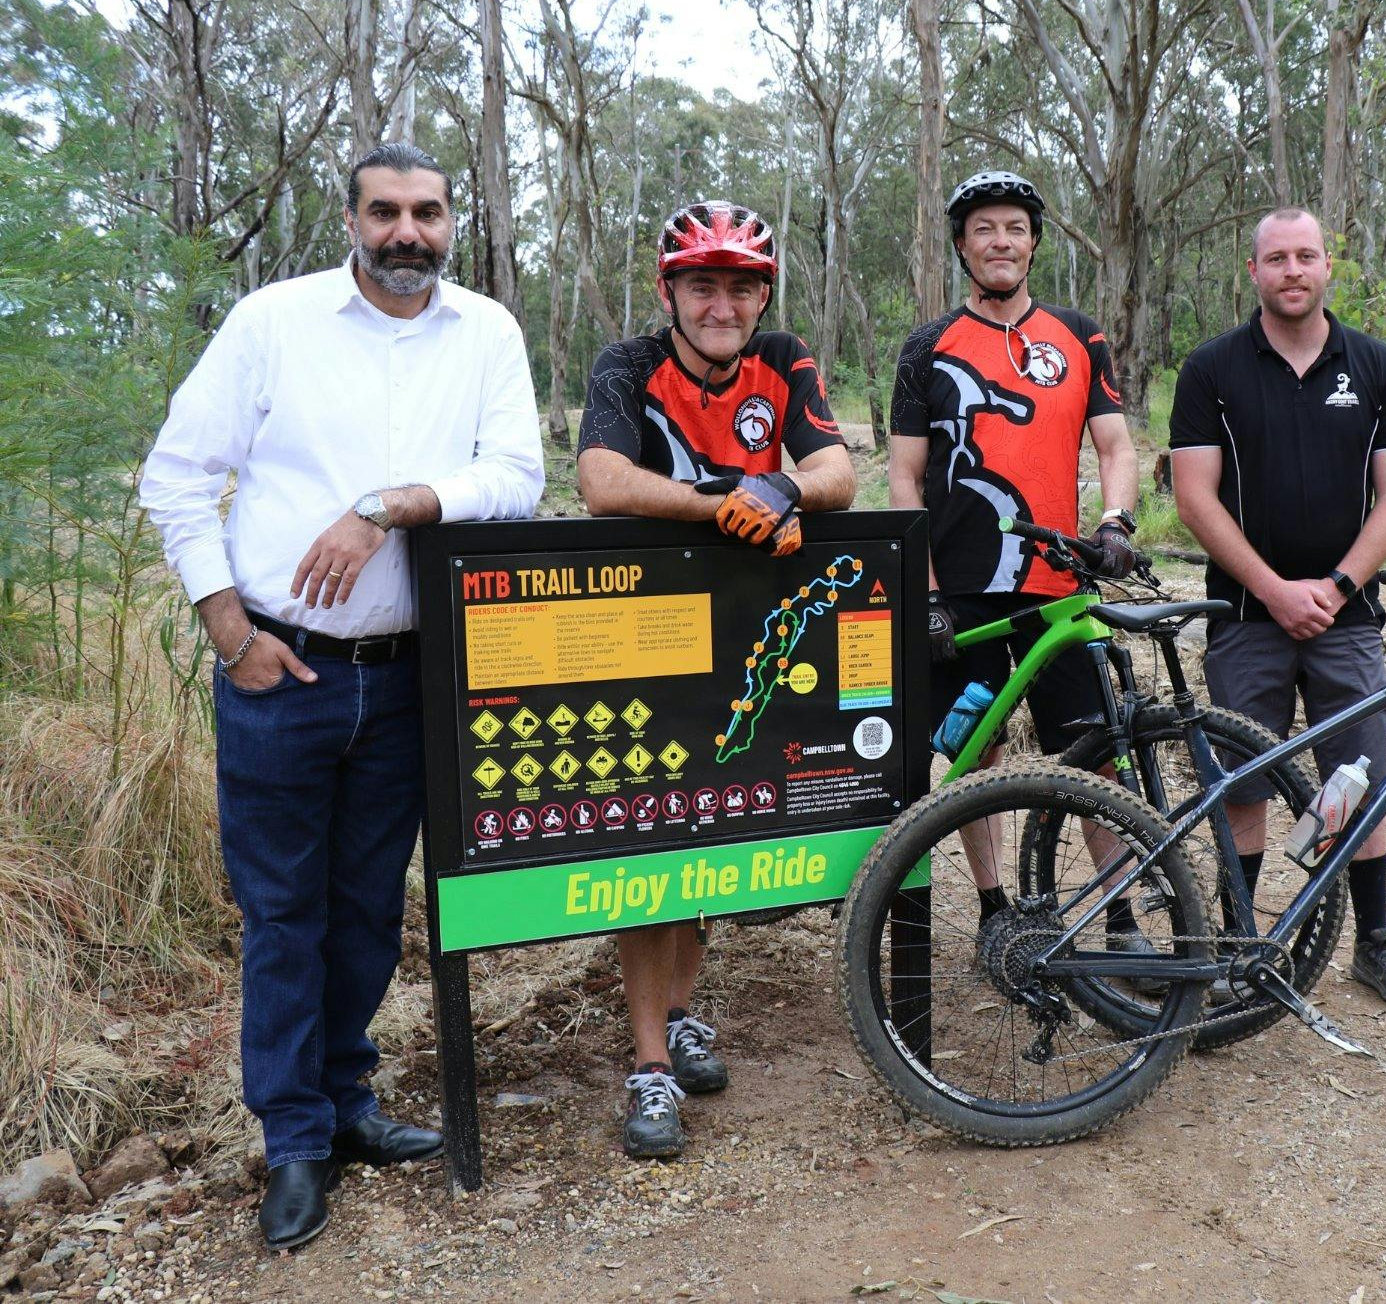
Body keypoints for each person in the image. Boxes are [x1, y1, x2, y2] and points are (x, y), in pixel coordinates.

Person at [139, 143, 544, 1248]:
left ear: (452, 219)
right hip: (284, 672)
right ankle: (294, 1140)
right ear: (352, 219)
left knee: (368, 909)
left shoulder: (487, 332)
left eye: (426, 212)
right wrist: (230, 631)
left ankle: (348, 1103)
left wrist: (394, 503)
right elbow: (174, 475)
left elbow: (517, 477)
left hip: (409, 675)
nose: (405, 232)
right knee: (282, 912)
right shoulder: (276, 322)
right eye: (384, 213)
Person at [577, 199, 855, 1159]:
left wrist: (783, 486)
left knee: (709, 829)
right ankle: (649, 1065)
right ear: (670, 293)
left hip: (739, 634)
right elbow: (604, 480)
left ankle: (686, 1013)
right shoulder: (626, 364)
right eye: (703, 284)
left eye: (741, 286)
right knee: (646, 850)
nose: (723, 305)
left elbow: (837, 473)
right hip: (642, 637)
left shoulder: (783, 359)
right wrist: (725, 500)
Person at [1169, 206, 1386, 1008]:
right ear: (1252, 271)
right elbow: (1193, 497)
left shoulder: (1377, 366)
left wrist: (1339, 585)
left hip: (1347, 618)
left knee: (1359, 776)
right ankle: (1241, 942)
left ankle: (1373, 940)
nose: (1292, 270)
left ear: (1327, 268)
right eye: (1276, 258)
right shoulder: (1211, 368)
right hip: (1246, 617)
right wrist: (1276, 590)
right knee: (1244, 784)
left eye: (1306, 256)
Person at [886, 169, 1142, 936]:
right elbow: (904, 476)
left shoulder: (1078, 334)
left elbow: (1117, 443)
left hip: (1060, 588)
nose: (1001, 241)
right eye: (985, 229)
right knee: (975, 757)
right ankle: (997, 909)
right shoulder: (928, 346)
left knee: (1097, 756)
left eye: (1016, 228)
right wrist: (925, 589)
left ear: (1034, 242)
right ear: (963, 245)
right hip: (962, 591)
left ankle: (1121, 915)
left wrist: (1117, 522)